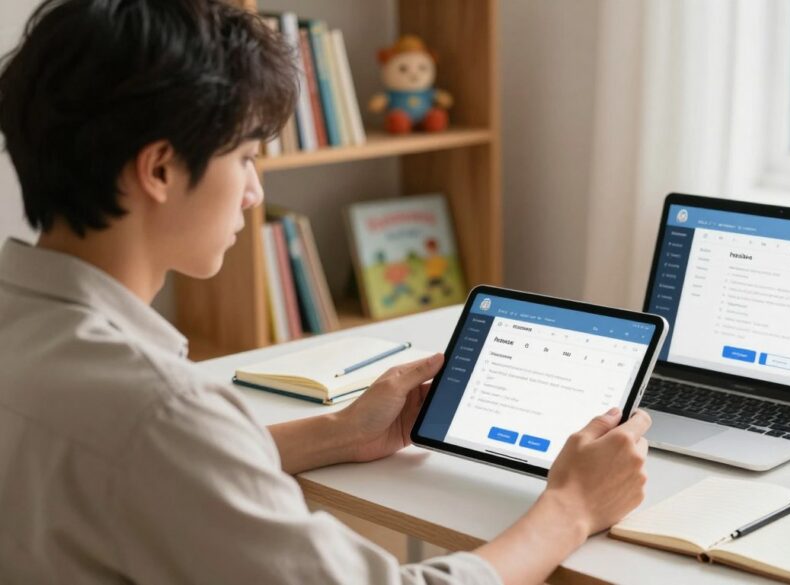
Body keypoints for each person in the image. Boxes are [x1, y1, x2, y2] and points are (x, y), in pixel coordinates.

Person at [0, 1, 652, 583]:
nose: (255, 194)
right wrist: (570, 507)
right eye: (247, 158)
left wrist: (339, 432)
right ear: (161, 168)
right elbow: (163, 449)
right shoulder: (160, 412)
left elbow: (147, 469)